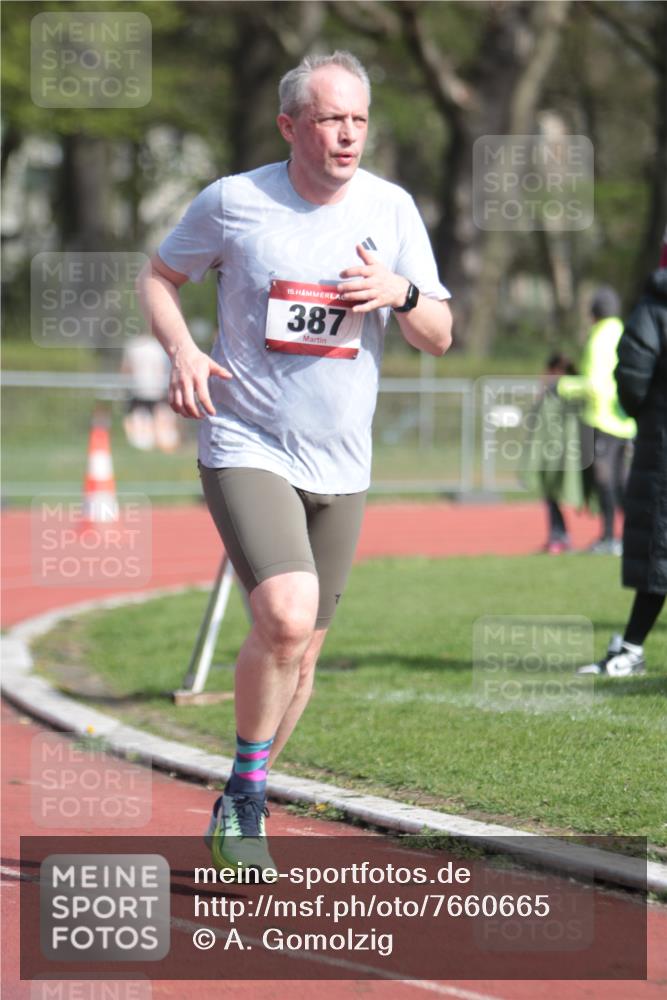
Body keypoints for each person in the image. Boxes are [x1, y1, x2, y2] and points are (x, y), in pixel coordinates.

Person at [137, 51, 452, 872]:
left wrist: (401, 294)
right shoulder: (236, 203)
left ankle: (247, 792)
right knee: (282, 613)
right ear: (290, 126)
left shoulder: (391, 209)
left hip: (342, 462)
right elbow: (159, 277)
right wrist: (180, 352)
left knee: (303, 651)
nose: (346, 134)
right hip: (246, 440)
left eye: (357, 120)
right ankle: (244, 798)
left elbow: (441, 335)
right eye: (328, 119)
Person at [578, 261, 667, 675]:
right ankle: (631, 646)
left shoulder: (653, 307)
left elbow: (631, 376)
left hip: (656, 441)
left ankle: (630, 649)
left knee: (658, 548)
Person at [557, 286, 636, 554]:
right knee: (623, 482)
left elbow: (594, 384)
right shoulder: (624, 331)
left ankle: (609, 538)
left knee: (606, 482)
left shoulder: (599, 338)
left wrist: (563, 386)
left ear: (594, 312)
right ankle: (632, 537)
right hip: (625, 421)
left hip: (602, 419)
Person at [523, 353, 582, 554]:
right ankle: (558, 535)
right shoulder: (552, 393)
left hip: (560, 455)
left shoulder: (563, 393)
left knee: (557, 494)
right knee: (551, 496)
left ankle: (606, 537)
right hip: (553, 454)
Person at [121, 332, 180, 452]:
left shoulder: (133, 345)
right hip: (158, 390)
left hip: (138, 390)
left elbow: (126, 369)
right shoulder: (160, 347)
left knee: (141, 422)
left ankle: (145, 445)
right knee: (158, 422)